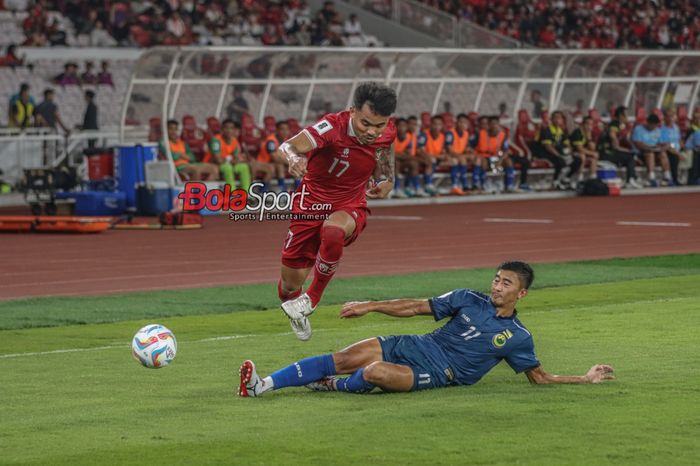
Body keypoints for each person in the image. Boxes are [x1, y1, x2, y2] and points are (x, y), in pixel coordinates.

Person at [238, 261, 615, 397]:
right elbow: (417, 307)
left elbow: (540, 378)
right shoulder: (468, 298)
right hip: (415, 345)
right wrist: (370, 306)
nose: (497, 286)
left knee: (372, 372)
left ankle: (332, 385)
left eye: (506, 283)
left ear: (522, 292)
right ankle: (262, 386)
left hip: (438, 372)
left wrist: (585, 378)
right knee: (346, 356)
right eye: (497, 279)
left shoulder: (518, 337)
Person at [275, 82, 397, 341]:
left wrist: (386, 179)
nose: (373, 131)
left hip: (350, 204)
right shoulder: (331, 127)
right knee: (289, 285)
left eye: (379, 125)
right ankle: (296, 309)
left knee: (333, 230)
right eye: (366, 123)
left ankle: (312, 298)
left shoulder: (388, 132)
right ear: (352, 111)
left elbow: (384, 157)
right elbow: (287, 146)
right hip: (310, 204)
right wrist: (294, 158)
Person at [597, 106, 642, 189]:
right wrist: (619, 148)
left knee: (630, 155)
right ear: (621, 116)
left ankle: (633, 177)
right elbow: (612, 135)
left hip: (609, 152)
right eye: (626, 115)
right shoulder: (615, 123)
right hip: (606, 153)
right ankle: (630, 180)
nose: (627, 117)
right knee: (630, 157)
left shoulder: (617, 124)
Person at [531, 111, 575, 189]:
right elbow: (548, 147)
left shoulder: (561, 131)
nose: (558, 120)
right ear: (552, 119)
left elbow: (567, 144)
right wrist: (560, 155)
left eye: (560, 118)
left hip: (558, 152)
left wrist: (569, 153)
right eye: (556, 118)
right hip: (545, 152)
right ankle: (556, 182)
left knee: (577, 160)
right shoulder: (547, 130)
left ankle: (566, 179)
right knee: (560, 161)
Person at [207, 119, 251, 191]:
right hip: (214, 164)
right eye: (226, 128)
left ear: (234, 130)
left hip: (228, 163)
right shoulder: (216, 140)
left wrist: (233, 160)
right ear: (222, 129)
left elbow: (236, 158)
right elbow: (218, 159)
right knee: (228, 168)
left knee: (244, 167)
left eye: (231, 128)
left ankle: (247, 193)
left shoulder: (234, 140)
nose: (229, 130)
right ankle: (232, 193)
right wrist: (231, 159)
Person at [631, 114, 672, 187]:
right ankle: (651, 177)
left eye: (656, 125)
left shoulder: (658, 130)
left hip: (655, 150)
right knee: (650, 154)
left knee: (663, 153)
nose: (654, 127)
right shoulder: (638, 129)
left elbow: (664, 143)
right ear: (648, 123)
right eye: (653, 125)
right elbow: (638, 144)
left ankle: (667, 176)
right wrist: (650, 148)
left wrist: (662, 147)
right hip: (642, 152)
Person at [258, 120, 295, 192]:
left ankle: (298, 190)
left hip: (274, 163)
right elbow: (274, 157)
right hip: (264, 162)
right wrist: (290, 162)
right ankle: (263, 191)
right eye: (282, 129)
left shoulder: (285, 140)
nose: (285, 131)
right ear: (277, 130)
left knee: (296, 166)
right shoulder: (271, 140)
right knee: (280, 165)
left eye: (287, 129)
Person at [415, 115, 448, 196]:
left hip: (438, 158)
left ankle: (454, 185)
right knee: (431, 160)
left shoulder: (442, 136)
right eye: (435, 124)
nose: (437, 127)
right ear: (431, 125)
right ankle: (428, 185)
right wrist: (431, 156)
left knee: (454, 161)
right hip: (425, 158)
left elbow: (443, 151)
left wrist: (443, 155)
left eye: (439, 124)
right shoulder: (424, 135)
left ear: (442, 126)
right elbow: (420, 150)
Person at [392, 117, 422, 198]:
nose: (402, 128)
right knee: (396, 163)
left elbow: (407, 153)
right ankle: (396, 189)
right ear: (396, 127)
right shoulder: (391, 137)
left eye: (404, 126)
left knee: (414, 163)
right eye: (400, 126)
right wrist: (399, 155)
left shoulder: (408, 137)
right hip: (390, 163)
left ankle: (416, 188)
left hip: (402, 160)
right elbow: (389, 154)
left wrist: (399, 155)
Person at [444, 113, 472, 195]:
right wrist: (460, 156)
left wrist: (469, 151)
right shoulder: (450, 133)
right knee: (457, 161)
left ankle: (477, 184)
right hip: (450, 156)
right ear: (456, 122)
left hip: (460, 155)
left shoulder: (466, 133)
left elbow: (465, 147)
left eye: (465, 123)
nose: (463, 124)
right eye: (461, 122)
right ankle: (457, 185)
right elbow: (449, 150)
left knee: (477, 159)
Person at [569, 116, 600, 183]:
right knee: (582, 156)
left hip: (583, 153)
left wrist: (589, 138)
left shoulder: (589, 133)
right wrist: (592, 153)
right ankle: (579, 178)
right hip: (572, 152)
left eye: (591, 124)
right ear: (583, 124)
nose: (589, 126)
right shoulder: (577, 132)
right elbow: (579, 149)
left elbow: (593, 148)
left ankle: (593, 178)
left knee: (593, 158)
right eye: (587, 124)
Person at [659, 108, 682, 186]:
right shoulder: (662, 129)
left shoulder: (676, 127)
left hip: (677, 149)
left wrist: (682, 147)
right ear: (665, 117)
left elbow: (679, 139)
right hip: (669, 149)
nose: (671, 118)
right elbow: (666, 144)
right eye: (669, 116)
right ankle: (674, 179)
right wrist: (677, 151)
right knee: (674, 156)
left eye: (672, 116)